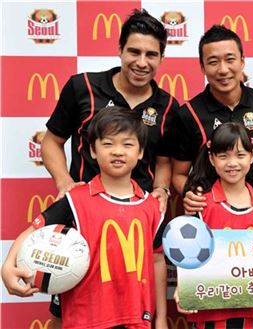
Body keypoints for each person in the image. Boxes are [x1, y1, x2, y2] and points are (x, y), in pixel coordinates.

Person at [1, 107, 168, 329]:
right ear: (92, 150)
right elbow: (32, 232)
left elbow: (157, 261)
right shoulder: (75, 200)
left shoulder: (152, 206)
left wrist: (161, 318)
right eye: (108, 144)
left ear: (140, 152)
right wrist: (7, 268)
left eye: (127, 144)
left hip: (137, 319)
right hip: (85, 319)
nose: (118, 151)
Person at [42, 8, 178, 209]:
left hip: (139, 212)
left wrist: (161, 189)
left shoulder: (168, 106)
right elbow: (51, 142)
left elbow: (163, 162)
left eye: (151, 55)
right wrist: (65, 183)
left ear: (161, 58)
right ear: (120, 49)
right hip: (83, 208)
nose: (141, 62)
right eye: (134, 52)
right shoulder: (82, 87)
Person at [171, 24, 253, 219]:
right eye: (213, 62)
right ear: (202, 67)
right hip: (209, 219)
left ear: (242, 61)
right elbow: (178, 174)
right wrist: (190, 194)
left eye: (230, 59)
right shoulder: (188, 114)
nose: (223, 69)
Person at [175, 122, 253, 329]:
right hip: (209, 310)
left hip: (252, 310)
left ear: (252, 156)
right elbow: (188, 253)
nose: (232, 163)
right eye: (223, 156)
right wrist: (182, 285)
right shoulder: (201, 205)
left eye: (240, 155)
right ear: (211, 159)